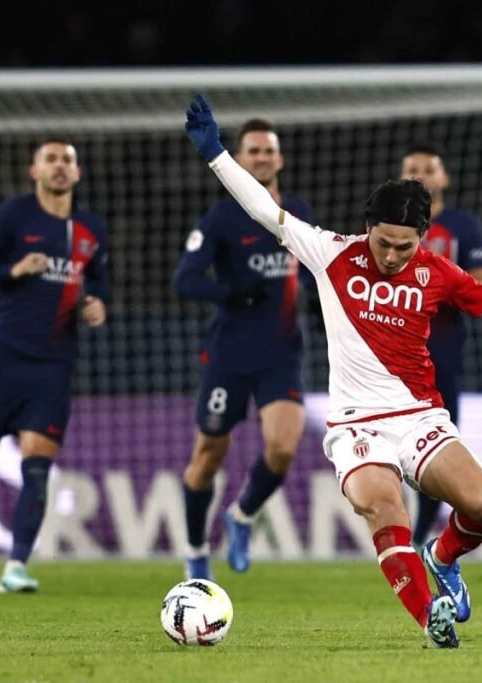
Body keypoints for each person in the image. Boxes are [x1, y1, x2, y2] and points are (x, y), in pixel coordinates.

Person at [184, 94, 482, 648]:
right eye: (384, 242)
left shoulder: (437, 271)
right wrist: (216, 155)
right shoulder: (331, 252)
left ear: (423, 239)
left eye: (405, 246)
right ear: (367, 226)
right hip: (356, 425)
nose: (392, 256)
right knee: (385, 507)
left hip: (419, 416)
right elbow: (262, 209)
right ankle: (429, 619)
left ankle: (441, 557)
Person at [0, 138, 110, 593]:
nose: (60, 167)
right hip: (3, 357)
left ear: (77, 174)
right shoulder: (12, 217)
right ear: (33, 171)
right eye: (51, 160)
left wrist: (97, 304)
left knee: (36, 467)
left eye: (68, 161)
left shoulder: (91, 229)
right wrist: (13, 269)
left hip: (53, 366)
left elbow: (99, 282)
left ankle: (15, 567)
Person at [174, 118, 316, 580]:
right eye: (252, 151)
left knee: (283, 447)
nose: (261, 157)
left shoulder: (296, 212)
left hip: (282, 353)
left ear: (280, 158)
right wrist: (231, 292)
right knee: (208, 455)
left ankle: (241, 515)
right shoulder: (220, 218)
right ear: (239, 159)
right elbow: (185, 279)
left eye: (268, 150)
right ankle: (196, 551)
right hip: (230, 355)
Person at [400, 143, 482, 546]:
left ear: (444, 179)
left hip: (442, 360)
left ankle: (420, 536)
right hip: (391, 358)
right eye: (413, 168)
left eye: (429, 168)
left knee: (435, 451)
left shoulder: (463, 227)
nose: (421, 174)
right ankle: (399, 532)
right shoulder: (390, 224)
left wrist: (438, 289)